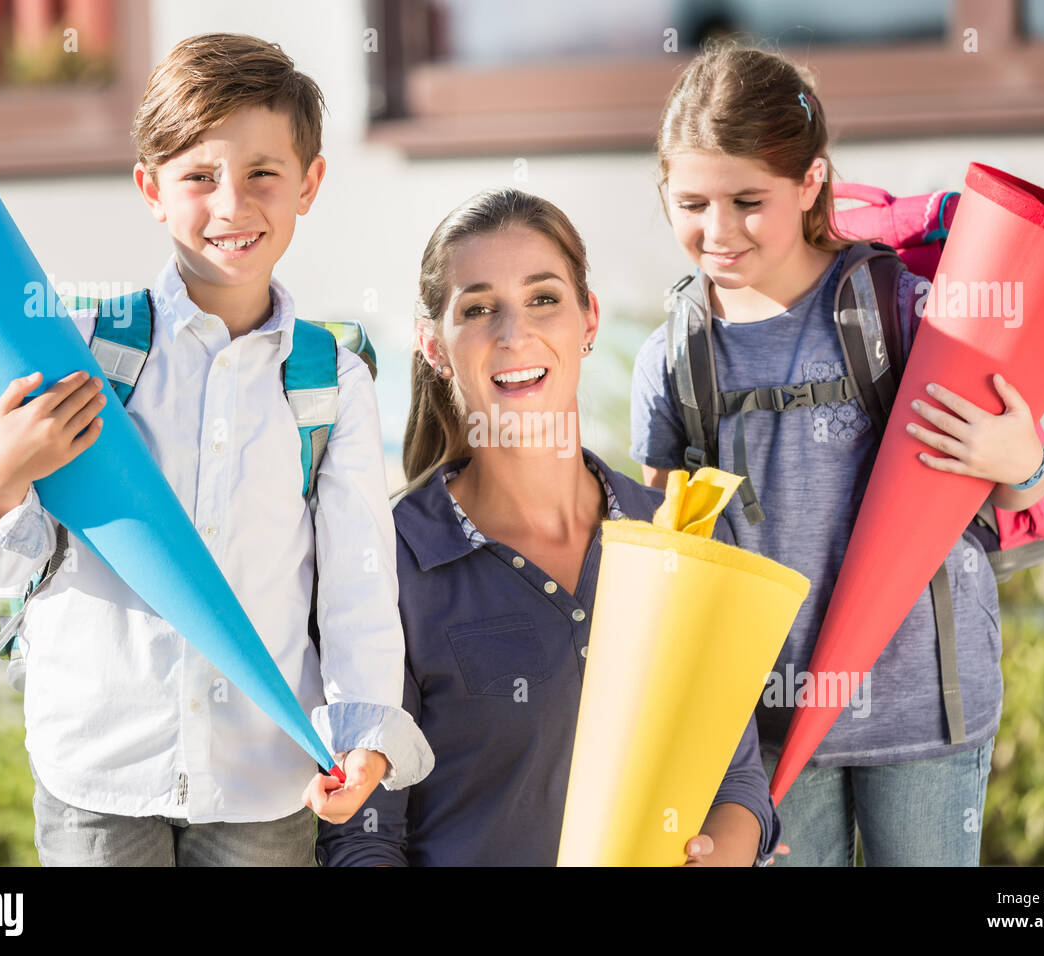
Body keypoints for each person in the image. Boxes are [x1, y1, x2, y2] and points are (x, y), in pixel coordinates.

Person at [0, 33, 431, 866]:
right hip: (98, 769)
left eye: (263, 173)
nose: (231, 205)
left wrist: (365, 731)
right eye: (198, 176)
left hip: (261, 777)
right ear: (151, 191)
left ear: (310, 184)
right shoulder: (84, 347)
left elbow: (357, 585)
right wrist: (0, 472)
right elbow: (18, 564)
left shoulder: (330, 378)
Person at [630, 40, 1044, 866]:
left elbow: (1020, 481)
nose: (717, 232)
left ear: (811, 182)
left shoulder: (902, 307)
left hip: (929, 710)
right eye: (691, 203)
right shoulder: (675, 357)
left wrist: (1021, 461)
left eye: (748, 199)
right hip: (766, 728)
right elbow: (669, 555)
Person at [317, 187, 781, 866]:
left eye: (543, 298)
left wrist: (726, 849)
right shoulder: (388, 565)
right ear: (433, 345)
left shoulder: (673, 535)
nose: (514, 334)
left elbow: (735, 776)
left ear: (588, 319)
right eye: (478, 309)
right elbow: (364, 839)